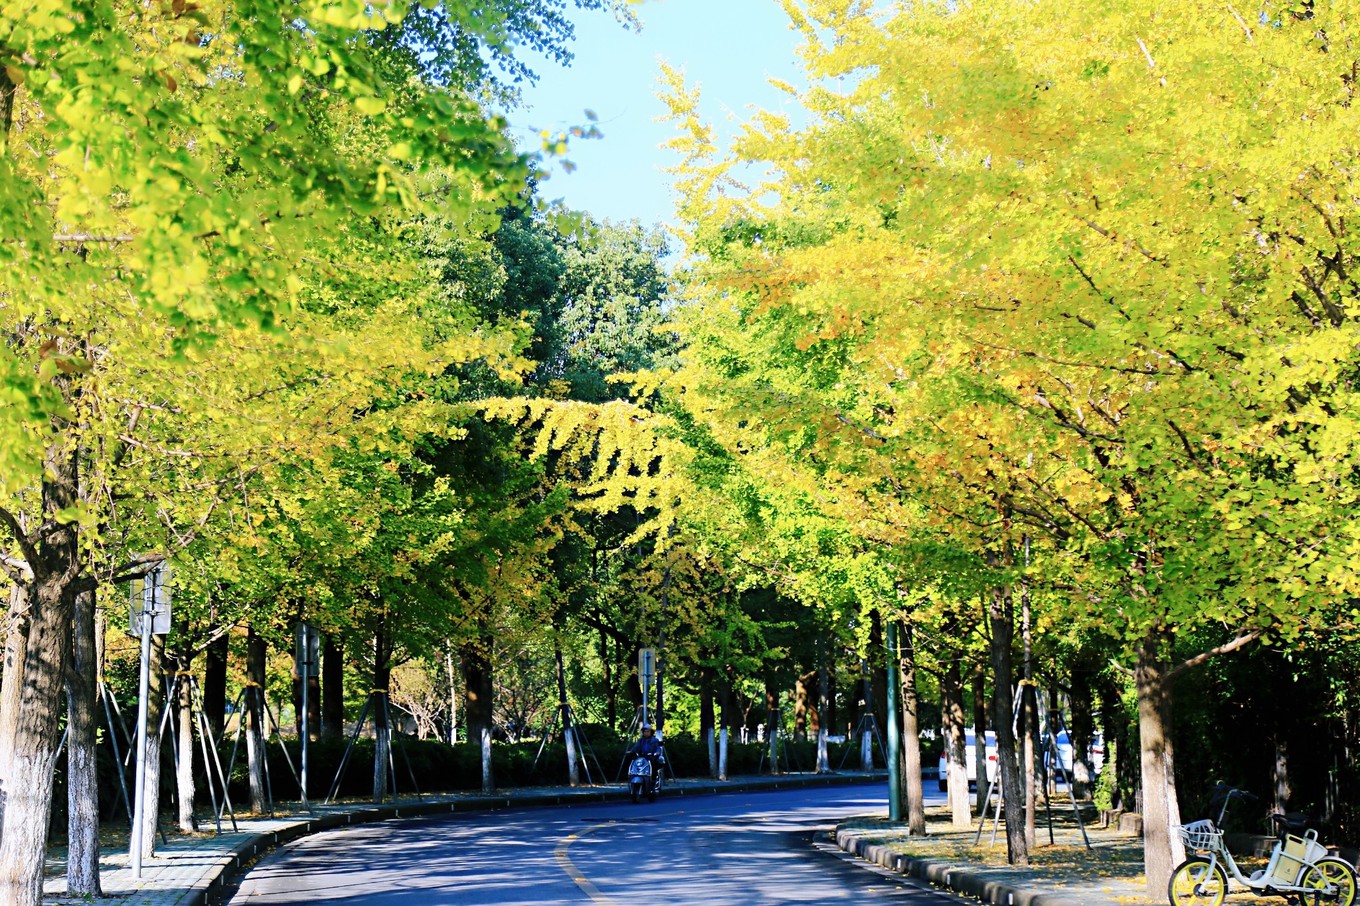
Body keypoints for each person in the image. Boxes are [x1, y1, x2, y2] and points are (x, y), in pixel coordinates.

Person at [627, 723, 664, 793]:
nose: (646, 733)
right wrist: (631, 752)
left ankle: (653, 782)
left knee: (654, 767)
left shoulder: (655, 740)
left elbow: (658, 748)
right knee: (633, 764)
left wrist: (657, 753)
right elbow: (636, 747)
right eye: (645, 731)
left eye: (648, 731)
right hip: (642, 758)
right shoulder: (641, 740)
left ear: (651, 732)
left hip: (652, 758)